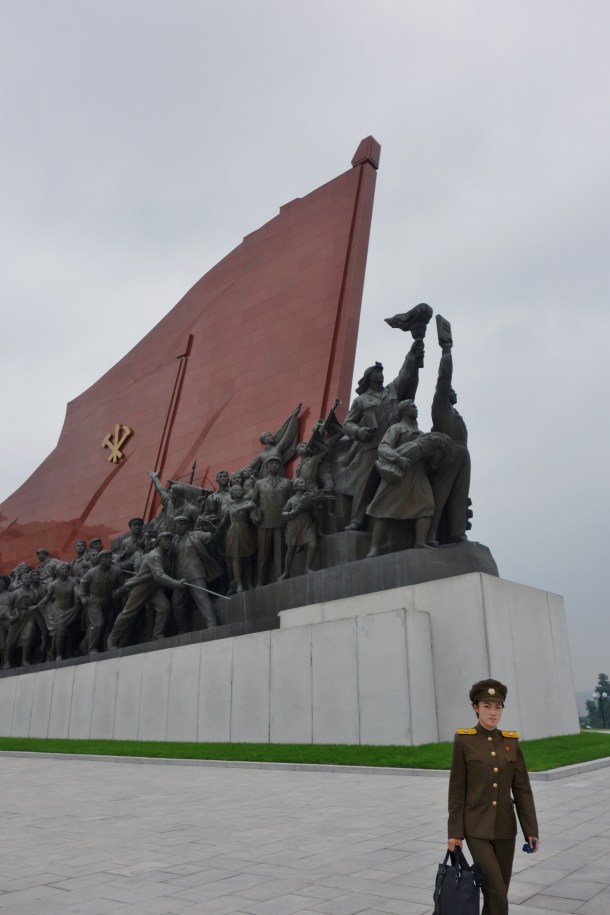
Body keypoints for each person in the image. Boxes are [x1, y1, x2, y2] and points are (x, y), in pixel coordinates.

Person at [448, 679, 539, 915]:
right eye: (487, 706)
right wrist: (455, 833)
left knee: (497, 893)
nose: (493, 712)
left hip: (505, 829)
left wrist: (531, 830)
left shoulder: (511, 742)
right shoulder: (464, 740)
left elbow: (522, 790)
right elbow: (457, 789)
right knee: (496, 890)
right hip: (476, 828)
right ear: (476, 708)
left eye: (498, 707)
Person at [342, 341, 422, 531]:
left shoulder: (391, 390)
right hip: (371, 446)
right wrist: (358, 432)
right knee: (366, 484)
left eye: (381, 372)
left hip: (395, 444)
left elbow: (405, 374)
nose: (380, 374)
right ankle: (357, 519)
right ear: (369, 377)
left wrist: (412, 353)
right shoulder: (361, 401)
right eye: (376, 372)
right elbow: (347, 424)